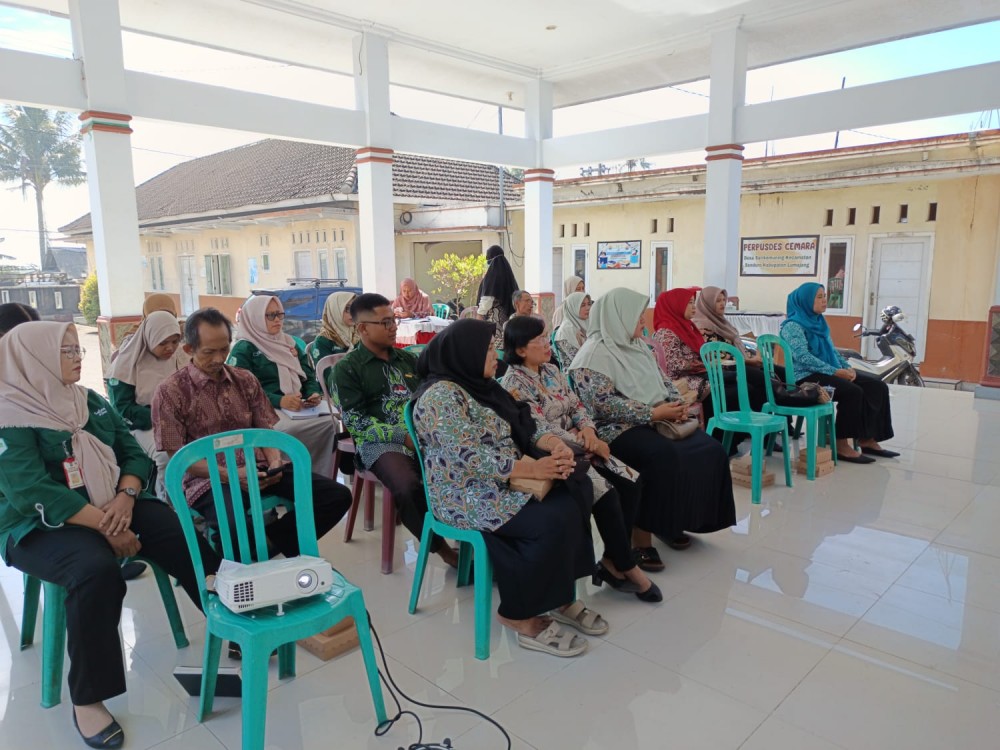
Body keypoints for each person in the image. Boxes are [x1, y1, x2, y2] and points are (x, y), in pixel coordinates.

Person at [0, 321, 220, 749]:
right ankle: (88, 698)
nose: (77, 357)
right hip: (37, 526)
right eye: (66, 351)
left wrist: (126, 497)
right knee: (94, 571)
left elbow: (132, 452)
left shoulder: (88, 401)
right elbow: (30, 491)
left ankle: (227, 620)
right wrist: (108, 527)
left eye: (76, 349)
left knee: (176, 531)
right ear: (32, 359)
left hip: (114, 502)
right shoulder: (10, 415)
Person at [412, 319, 607, 657]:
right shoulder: (439, 397)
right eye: (488, 349)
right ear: (466, 354)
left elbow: (524, 423)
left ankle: (561, 598)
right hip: (465, 493)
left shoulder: (484, 386)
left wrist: (553, 445)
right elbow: (467, 456)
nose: (496, 356)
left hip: (506, 480)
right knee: (549, 520)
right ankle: (519, 614)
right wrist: (533, 468)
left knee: (577, 491)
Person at [153, 308, 352, 563]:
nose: (219, 358)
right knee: (234, 526)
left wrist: (275, 462)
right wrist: (229, 474)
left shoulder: (245, 380)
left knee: (336, 497)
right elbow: (179, 456)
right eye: (209, 352)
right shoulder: (170, 392)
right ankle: (251, 558)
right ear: (189, 349)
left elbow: (264, 430)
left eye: (224, 349)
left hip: (258, 468)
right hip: (209, 478)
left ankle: (267, 544)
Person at [569, 288, 735, 570]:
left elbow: (665, 381)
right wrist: (652, 413)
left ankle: (672, 521)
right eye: (637, 316)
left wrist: (676, 404)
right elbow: (602, 405)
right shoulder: (592, 356)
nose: (643, 321)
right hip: (615, 428)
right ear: (618, 317)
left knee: (711, 450)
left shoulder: (638, 347)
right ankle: (641, 540)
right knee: (661, 456)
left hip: (658, 417)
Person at [500, 316, 660, 602]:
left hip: (583, 444)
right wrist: (585, 443)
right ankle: (627, 566)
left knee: (631, 482)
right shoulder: (513, 384)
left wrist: (588, 430)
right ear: (521, 349)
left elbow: (577, 405)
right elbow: (537, 429)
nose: (547, 344)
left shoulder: (551, 370)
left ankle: (612, 559)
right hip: (553, 454)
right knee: (607, 495)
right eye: (540, 339)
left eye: (547, 336)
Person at [331, 293, 458, 568]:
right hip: (379, 443)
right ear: (363, 328)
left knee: (465, 462)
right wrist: (404, 438)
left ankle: (470, 532)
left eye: (393, 321)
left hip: (422, 434)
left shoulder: (408, 360)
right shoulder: (346, 369)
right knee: (407, 484)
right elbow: (357, 423)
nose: (393, 327)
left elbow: (430, 398)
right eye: (385, 322)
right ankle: (442, 550)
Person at [780, 283, 897, 463]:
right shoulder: (792, 326)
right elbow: (803, 357)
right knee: (852, 392)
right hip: (804, 377)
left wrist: (847, 368)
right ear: (805, 300)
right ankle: (841, 444)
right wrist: (835, 371)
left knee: (877, 386)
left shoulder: (819, 322)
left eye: (825, 296)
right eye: (819, 297)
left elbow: (832, 351)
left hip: (826, 371)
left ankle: (867, 439)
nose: (824, 300)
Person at [226, 294, 336, 476]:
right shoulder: (245, 349)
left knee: (330, 424)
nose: (277, 320)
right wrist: (279, 400)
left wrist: (312, 393)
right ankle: (285, 476)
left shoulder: (288, 343)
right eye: (270, 315)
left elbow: (308, 374)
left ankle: (318, 476)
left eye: (279, 314)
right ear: (254, 317)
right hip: (265, 411)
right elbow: (242, 391)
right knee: (286, 431)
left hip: (299, 406)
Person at [106, 310, 187, 498]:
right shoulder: (126, 365)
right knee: (166, 455)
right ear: (150, 337)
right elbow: (123, 409)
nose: (170, 348)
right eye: (163, 343)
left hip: (179, 420)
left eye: (175, 341)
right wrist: (160, 416)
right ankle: (168, 500)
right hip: (143, 424)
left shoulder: (180, 358)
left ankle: (197, 496)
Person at [691, 286, 773, 416]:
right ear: (707, 304)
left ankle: (778, 417)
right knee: (762, 379)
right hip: (723, 369)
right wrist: (748, 361)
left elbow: (735, 347)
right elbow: (718, 357)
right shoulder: (703, 327)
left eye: (724, 300)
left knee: (775, 372)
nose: (722, 304)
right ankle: (760, 419)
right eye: (718, 300)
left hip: (738, 364)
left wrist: (753, 356)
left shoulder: (721, 322)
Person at [111, 294, 179, 360]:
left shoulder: (180, 332)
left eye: (168, 315)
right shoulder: (132, 340)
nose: (163, 319)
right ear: (146, 317)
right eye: (156, 316)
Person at [476, 245, 519, 350]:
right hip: (510, 322)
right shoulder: (508, 275)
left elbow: (487, 300)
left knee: (495, 351)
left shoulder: (492, 276)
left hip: (495, 322)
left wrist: (478, 319)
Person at [307, 290, 358, 365]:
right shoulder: (323, 341)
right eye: (348, 308)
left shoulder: (358, 335)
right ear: (335, 310)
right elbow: (325, 371)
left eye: (355, 308)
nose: (353, 313)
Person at [553, 291, 591, 366]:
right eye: (583, 305)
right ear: (573, 307)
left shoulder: (588, 323)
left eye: (589, 304)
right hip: (575, 371)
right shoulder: (566, 330)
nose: (588, 308)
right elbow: (578, 360)